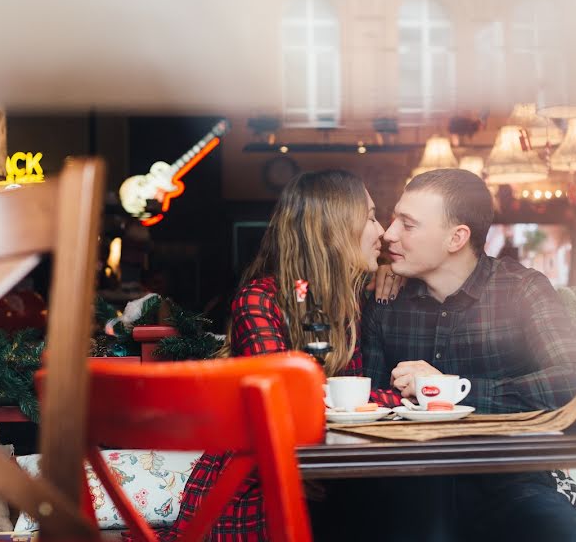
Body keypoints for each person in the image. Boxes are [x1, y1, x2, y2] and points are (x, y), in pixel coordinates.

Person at [363, 168, 576, 542]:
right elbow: (369, 410)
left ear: (456, 238)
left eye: (407, 224)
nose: (388, 233)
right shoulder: (385, 300)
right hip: (414, 483)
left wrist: (453, 390)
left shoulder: (522, 289)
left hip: (512, 480)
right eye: (394, 219)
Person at [156, 170, 397, 541]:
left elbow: (338, 397)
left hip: (328, 481)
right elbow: (289, 403)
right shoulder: (261, 299)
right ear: (332, 226)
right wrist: (399, 400)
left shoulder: (348, 300)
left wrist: (396, 274)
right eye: (369, 217)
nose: (382, 230)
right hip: (252, 489)